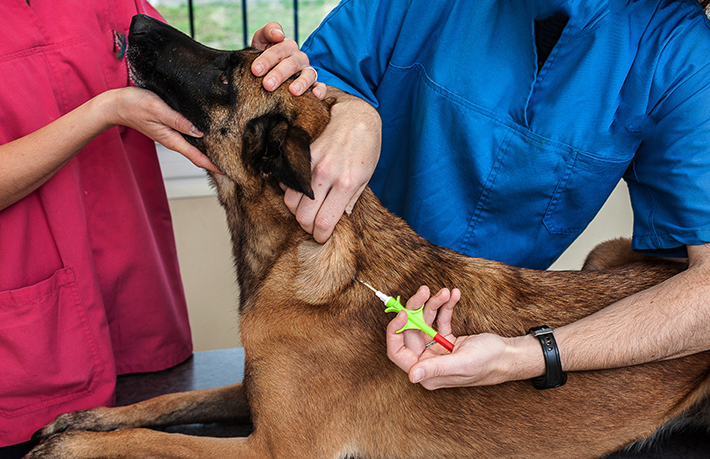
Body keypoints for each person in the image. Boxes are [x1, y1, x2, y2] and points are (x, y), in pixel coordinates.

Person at [264, 0, 710, 390]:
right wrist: (351, 109)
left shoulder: (679, 51)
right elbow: (303, 93)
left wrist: (526, 356)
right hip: (335, 291)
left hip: (484, 336)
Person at [0, 2, 314, 447]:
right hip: (26, 346)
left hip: (136, 308)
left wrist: (257, 70)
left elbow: (176, 70)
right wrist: (104, 111)